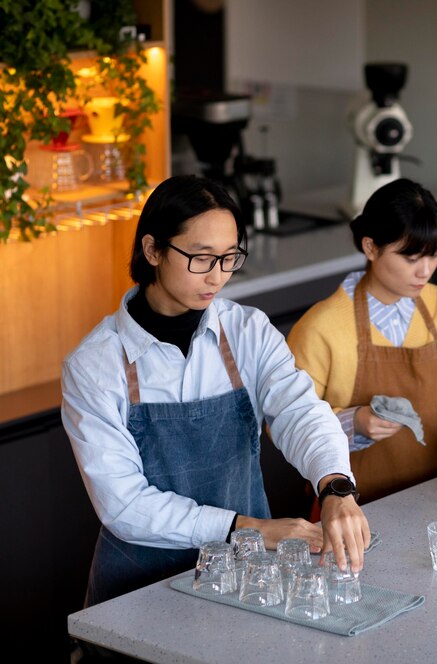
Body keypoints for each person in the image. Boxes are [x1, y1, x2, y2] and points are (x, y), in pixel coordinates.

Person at [62, 175, 368, 609]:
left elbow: (300, 411)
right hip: (140, 590)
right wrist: (251, 529)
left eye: (229, 258)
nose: (218, 277)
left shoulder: (247, 331)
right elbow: (124, 505)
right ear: (152, 250)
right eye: (202, 259)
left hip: (246, 579)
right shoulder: (94, 365)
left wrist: (335, 487)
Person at [287, 178, 437, 503]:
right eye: (411, 258)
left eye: (435, 255)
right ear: (370, 247)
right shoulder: (321, 327)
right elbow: (288, 423)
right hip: (353, 510)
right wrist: (353, 422)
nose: (426, 271)